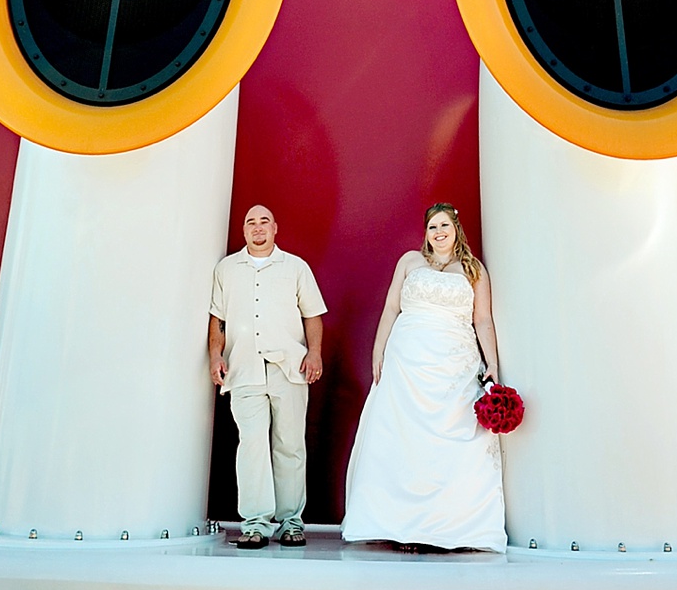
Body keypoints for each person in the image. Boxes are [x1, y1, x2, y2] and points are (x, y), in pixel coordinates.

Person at [341, 202, 507, 552]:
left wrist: (492, 363)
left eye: (444, 225)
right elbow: (391, 308)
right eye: (432, 227)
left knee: (448, 440)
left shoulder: (474, 269)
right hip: (407, 359)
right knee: (403, 438)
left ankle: (446, 527)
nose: (438, 232)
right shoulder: (408, 262)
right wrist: (378, 350)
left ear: (455, 229)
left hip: (454, 364)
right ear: (426, 233)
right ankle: (400, 525)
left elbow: (483, 320)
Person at [209, 204, 328, 549]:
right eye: (251, 222)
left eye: (264, 221)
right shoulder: (226, 269)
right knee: (251, 445)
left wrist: (315, 353)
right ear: (244, 230)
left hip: (289, 367)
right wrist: (216, 354)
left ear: (275, 228)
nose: (257, 227)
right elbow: (217, 320)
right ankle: (256, 523)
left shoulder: (295, 268)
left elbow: (313, 315)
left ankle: (291, 522)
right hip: (243, 368)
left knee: (290, 446)